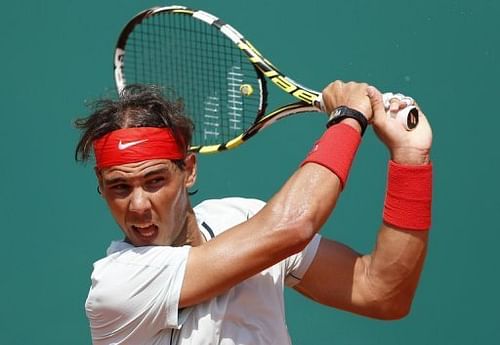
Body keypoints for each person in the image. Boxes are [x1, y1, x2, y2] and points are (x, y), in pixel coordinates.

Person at [75, 81, 433, 345]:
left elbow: (383, 292)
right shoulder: (117, 286)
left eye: (154, 180)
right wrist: (348, 119)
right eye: (120, 187)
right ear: (102, 185)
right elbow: (293, 226)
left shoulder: (242, 217)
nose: (137, 205)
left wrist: (410, 160)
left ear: (189, 169)